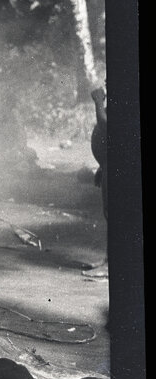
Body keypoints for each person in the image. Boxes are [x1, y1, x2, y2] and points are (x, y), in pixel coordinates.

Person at [83, 85, 108, 277]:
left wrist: (99, 102)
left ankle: (112, 264)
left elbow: (106, 127)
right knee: (110, 214)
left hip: (120, 169)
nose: (107, 85)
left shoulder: (126, 101)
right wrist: (102, 164)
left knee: (116, 215)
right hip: (110, 165)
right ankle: (109, 259)